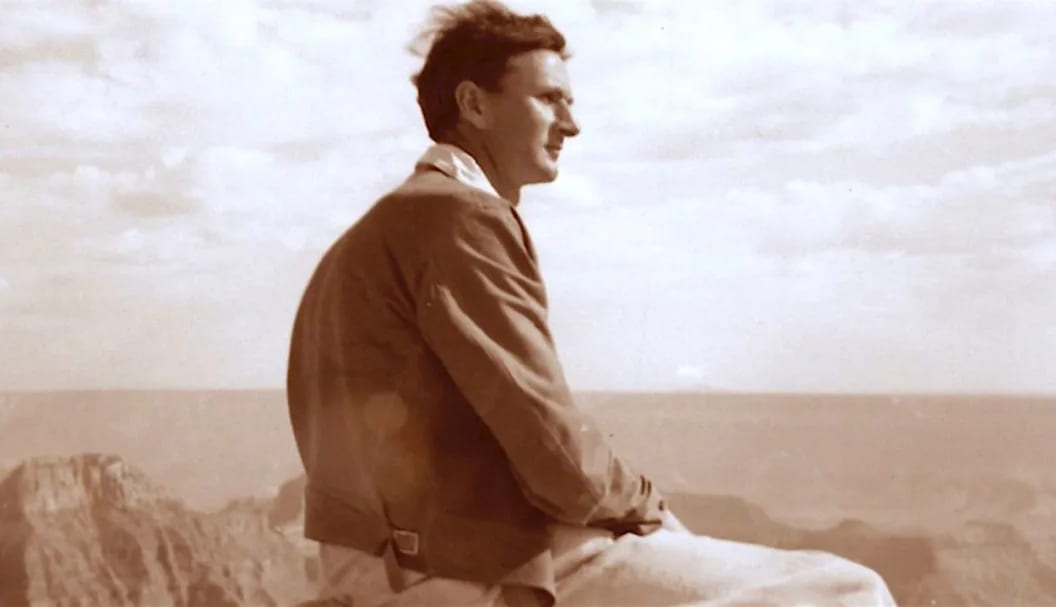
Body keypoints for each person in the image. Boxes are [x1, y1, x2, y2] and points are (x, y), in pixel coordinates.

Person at [286, 2, 897, 606]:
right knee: (848, 590)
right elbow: (554, 454)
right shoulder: (461, 217)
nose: (571, 125)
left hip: (384, 560)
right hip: (460, 568)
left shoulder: (375, 233)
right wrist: (650, 511)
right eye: (549, 99)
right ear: (474, 105)